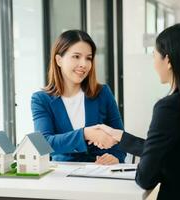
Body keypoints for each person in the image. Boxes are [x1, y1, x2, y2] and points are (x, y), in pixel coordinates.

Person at [94, 24, 180, 199]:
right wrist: (120, 137)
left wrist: (145, 164)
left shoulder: (168, 108)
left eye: (154, 56)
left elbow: (146, 178)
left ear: (168, 61)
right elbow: (177, 152)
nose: (153, 63)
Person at [31, 30, 126, 164]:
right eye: (76, 56)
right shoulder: (41, 99)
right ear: (59, 60)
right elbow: (43, 144)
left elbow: (120, 136)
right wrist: (85, 133)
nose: (84, 64)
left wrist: (116, 158)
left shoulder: (103, 93)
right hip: (62, 175)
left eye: (88, 58)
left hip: (101, 172)